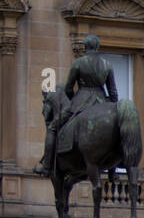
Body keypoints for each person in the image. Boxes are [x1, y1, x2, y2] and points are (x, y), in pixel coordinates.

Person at [36, 33, 118, 176]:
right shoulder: (107, 65)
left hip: (81, 100)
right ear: (97, 47)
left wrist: (72, 99)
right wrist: (111, 107)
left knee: (53, 127)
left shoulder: (78, 63)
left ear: (85, 47)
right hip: (101, 100)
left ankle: (47, 166)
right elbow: (113, 92)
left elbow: (68, 87)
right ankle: (113, 170)